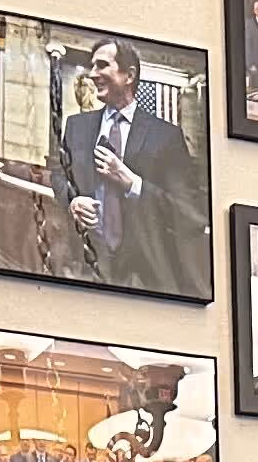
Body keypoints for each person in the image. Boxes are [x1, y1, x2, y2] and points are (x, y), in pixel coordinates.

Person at [58, 42, 197, 295]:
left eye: (102, 65)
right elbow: (59, 175)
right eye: (92, 65)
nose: (91, 73)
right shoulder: (76, 126)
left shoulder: (166, 136)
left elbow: (188, 211)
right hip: (83, 266)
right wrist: (73, 200)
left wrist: (132, 183)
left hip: (143, 275)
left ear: (129, 75)